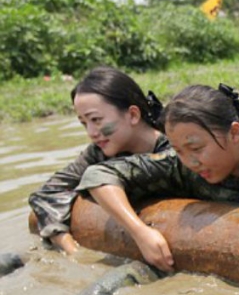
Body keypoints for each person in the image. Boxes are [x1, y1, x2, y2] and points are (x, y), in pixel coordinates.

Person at [76, 83, 239, 272]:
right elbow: (98, 174)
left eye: (197, 148)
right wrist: (139, 231)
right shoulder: (183, 167)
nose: (191, 161)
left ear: (234, 132)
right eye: (179, 150)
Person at [28, 66, 167, 254]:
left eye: (96, 119)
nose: (91, 133)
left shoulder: (177, 147)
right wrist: (70, 247)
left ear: (133, 115)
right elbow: (47, 193)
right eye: (84, 123)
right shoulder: (98, 153)